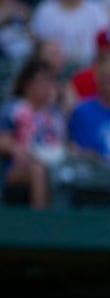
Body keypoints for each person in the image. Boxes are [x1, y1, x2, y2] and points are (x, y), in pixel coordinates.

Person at [0, 59, 66, 209]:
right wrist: (17, 149)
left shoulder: (55, 114)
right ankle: (41, 222)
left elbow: (62, 143)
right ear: (27, 84)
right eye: (42, 82)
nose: (47, 87)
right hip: (18, 167)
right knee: (38, 170)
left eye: (50, 82)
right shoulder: (13, 109)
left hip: (53, 162)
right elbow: (2, 140)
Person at [29, 0, 110, 68]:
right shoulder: (45, 11)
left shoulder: (97, 12)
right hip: (53, 72)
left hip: (90, 69)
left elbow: (107, 47)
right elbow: (36, 47)